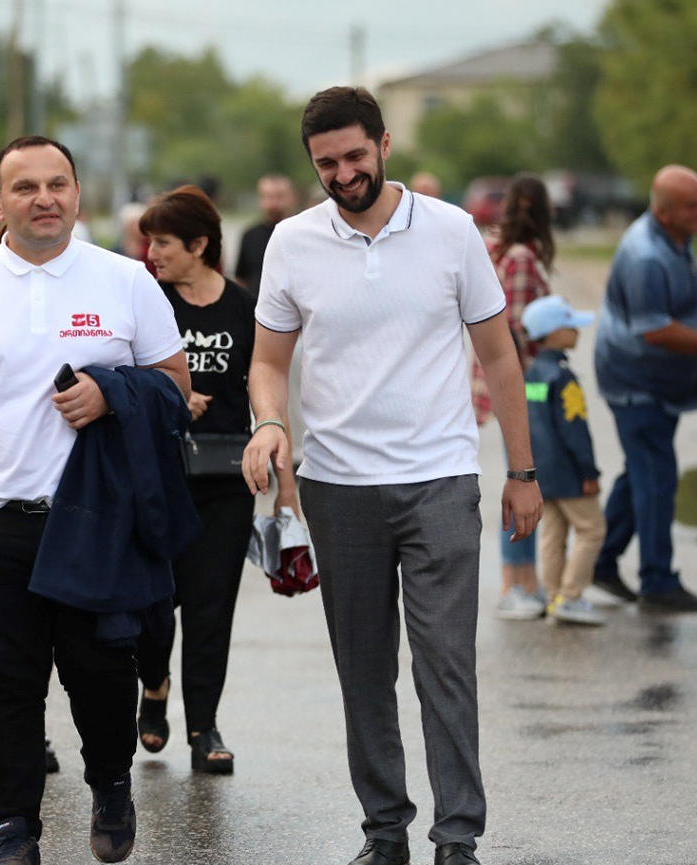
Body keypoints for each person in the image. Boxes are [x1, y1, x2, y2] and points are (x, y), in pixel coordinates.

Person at [243, 86, 540, 865]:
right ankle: (384, 833)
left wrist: (523, 470)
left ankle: (457, 838)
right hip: (337, 487)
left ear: (382, 144)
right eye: (326, 164)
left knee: (446, 663)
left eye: (354, 156)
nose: (343, 175)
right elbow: (269, 361)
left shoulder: (451, 231)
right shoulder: (292, 243)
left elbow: (500, 353)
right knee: (364, 669)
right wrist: (270, 421)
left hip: (440, 477)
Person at [0, 135, 189, 865]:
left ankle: (111, 783)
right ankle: (13, 828)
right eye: (25, 187)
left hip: (97, 524)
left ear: (79, 194)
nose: (44, 198)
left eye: (58, 184)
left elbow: (176, 389)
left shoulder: (126, 280)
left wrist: (110, 391)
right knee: (8, 687)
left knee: (101, 675)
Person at [132, 184, 298, 773]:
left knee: (210, 608)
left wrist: (284, 470)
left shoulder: (244, 307)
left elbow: (266, 383)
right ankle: (154, 687)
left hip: (226, 478)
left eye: (164, 242)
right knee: (153, 605)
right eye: (149, 240)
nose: (152, 252)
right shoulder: (145, 300)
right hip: (156, 479)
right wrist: (171, 396)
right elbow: (122, 377)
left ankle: (204, 725)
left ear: (200, 245)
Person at [590, 165, 697, 612]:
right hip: (635, 379)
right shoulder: (644, 253)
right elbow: (653, 329)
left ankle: (601, 560)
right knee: (656, 477)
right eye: (692, 206)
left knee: (642, 471)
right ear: (662, 210)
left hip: (658, 379)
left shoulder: (676, 236)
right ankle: (657, 581)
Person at [488, 174, 556, 620]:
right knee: (525, 478)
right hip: (528, 382)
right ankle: (517, 583)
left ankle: (523, 581)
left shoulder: (500, 251)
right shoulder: (522, 258)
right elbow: (514, 330)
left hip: (514, 382)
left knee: (523, 478)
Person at [520, 295, 606, 626]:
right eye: (570, 326)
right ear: (554, 333)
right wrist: (589, 470)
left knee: (552, 535)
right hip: (570, 472)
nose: (576, 332)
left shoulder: (532, 375)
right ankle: (571, 597)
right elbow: (574, 428)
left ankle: (554, 595)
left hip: (543, 471)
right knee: (591, 530)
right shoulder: (563, 377)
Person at [234, 174, 298, 295]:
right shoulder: (250, 235)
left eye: (279, 196)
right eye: (268, 197)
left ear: (292, 197)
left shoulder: (304, 233)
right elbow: (241, 279)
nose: (273, 203)